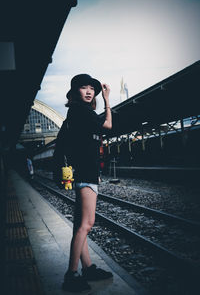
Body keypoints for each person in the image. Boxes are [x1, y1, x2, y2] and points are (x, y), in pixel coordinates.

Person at [61, 74, 113, 292]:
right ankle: (71, 275)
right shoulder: (83, 112)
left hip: (82, 174)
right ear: (76, 92)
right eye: (84, 88)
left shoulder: (76, 113)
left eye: (92, 88)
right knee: (86, 225)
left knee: (79, 225)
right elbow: (108, 125)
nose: (89, 91)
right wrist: (108, 100)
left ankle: (87, 267)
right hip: (85, 176)